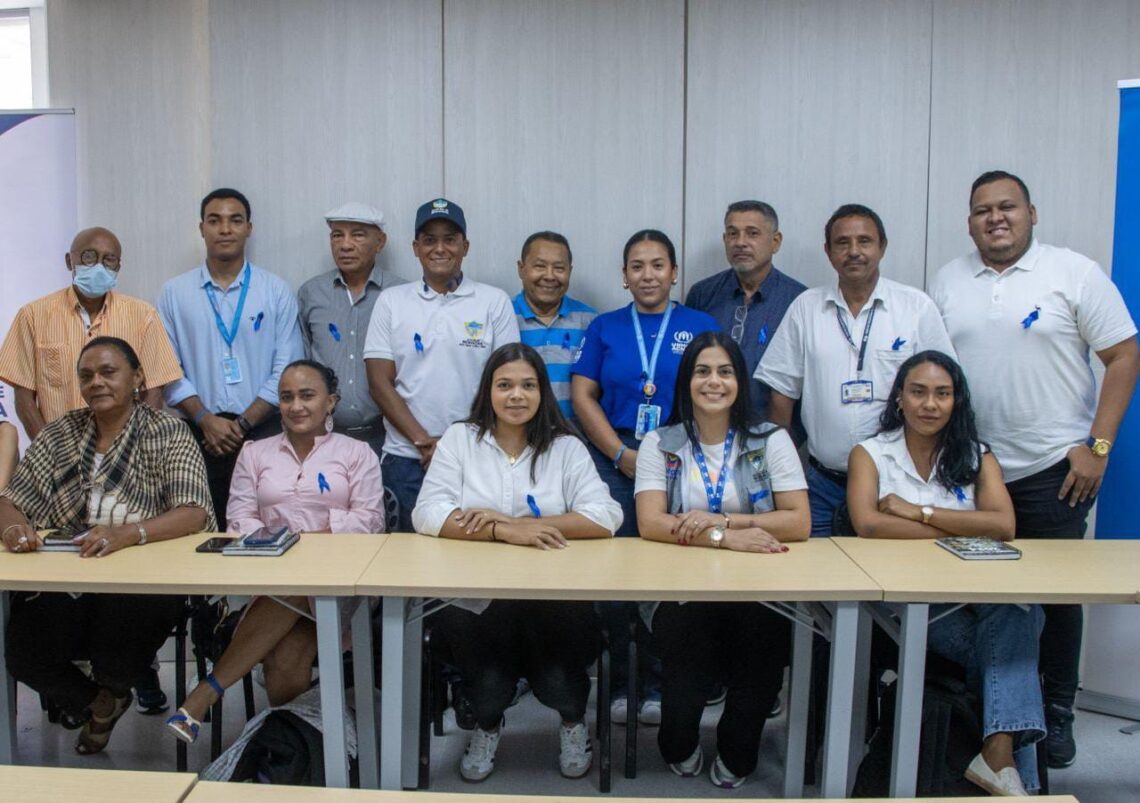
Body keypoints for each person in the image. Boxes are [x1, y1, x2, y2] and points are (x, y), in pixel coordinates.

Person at [929, 170, 1140, 768]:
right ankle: (992, 712)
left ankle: (1056, 717)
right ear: (969, 220)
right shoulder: (949, 280)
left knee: (1055, 598)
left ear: (1032, 213)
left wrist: (1096, 448)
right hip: (971, 471)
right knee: (984, 598)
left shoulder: (1073, 273)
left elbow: (1124, 354)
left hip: (1055, 467)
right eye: (981, 210)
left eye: (1007, 207)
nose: (995, 218)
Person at [412, 343, 621, 782]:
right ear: (488, 390)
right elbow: (427, 513)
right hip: (479, 599)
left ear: (543, 392)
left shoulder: (565, 447)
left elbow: (606, 516)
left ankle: (571, 722)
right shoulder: (460, 439)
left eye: (528, 385)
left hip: (555, 598)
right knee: (487, 690)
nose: (516, 396)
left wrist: (522, 521)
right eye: (504, 385)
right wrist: (502, 531)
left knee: (558, 684)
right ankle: (488, 725)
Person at [0, 336, 214, 755]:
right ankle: (101, 703)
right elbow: (10, 500)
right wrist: (12, 529)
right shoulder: (62, 431)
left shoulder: (166, 430)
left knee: (116, 649)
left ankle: (112, 687)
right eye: (86, 375)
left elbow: (194, 512)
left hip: (143, 577)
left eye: (108, 372)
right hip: (71, 574)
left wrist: (127, 534)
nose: (96, 382)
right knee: (24, 653)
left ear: (137, 378)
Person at [846, 350, 1045, 796]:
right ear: (899, 397)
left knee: (1016, 614)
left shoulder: (976, 455)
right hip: (914, 604)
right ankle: (1016, 776)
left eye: (942, 394)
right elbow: (870, 524)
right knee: (1018, 638)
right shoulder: (872, 453)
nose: (929, 404)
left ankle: (999, 760)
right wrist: (959, 527)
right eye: (918, 392)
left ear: (957, 401)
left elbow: (1003, 525)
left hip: (981, 595)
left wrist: (919, 512)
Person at [166, 360, 384, 744]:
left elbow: (370, 522)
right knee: (283, 659)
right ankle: (303, 745)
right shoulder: (255, 453)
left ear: (330, 402)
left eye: (307, 396)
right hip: (270, 579)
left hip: (341, 587)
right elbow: (238, 519)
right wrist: (281, 546)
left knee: (296, 579)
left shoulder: (357, 453)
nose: (296, 405)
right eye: (286, 397)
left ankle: (206, 694)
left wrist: (297, 539)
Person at [634, 331, 809, 789]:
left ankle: (736, 749)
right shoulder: (661, 442)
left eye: (725, 372)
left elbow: (799, 521)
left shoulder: (770, 440)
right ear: (686, 381)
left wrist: (719, 519)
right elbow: (651, 522)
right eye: (703, 371)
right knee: (686, 680)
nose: (714, 382)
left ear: (741, 382)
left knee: (760, 665)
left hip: (760, 586)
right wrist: (726, 537)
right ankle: (680, 743)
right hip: (682, 588)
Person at [571, 228, 718, 726]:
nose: (648, 275)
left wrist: (668, 456)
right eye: (637, 266)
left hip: (681, 456)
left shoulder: (700, 324)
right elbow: (582, 394)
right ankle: (619, 683)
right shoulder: (605, 327)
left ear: (674, 273)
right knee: (616, 574)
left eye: (658, 265)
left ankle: (661, 681)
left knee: (668, 570)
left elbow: (717, 390)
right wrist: (618, 453)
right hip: (616, 458)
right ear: (624, 276)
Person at [755, 204, 955, 535]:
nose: (854, 252)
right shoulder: (806, 308)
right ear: (828, 251)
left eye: (864, 241)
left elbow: (947, 387)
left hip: (897, 485)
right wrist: (785, 472)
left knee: (893, 577)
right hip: (822, 484)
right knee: (818, 579)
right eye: (842, 243)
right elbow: (781, 396)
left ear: (882, 247)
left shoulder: (915, 307)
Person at [364, 198, 519, 533]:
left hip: (479, 457)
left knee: (473, 565)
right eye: (429, 240)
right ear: (415, 248)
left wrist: (452, 447)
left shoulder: (494, 302)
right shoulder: (391, 302)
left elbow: (509, 382)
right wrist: (423, 441)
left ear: (465, 247)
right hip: (407, 459)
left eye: (449, 239)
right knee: (409, 568)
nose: (440, 248)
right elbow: (379, 382)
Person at [158, 188, 305, 530]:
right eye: (215, 220)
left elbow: (286, 368)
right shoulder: (174, 293)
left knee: (263, 526)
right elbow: (168, 368)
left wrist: (241, 425)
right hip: (196, 434)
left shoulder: (275, 290)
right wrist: (205, 419)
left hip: (262, 430)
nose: (225, 229)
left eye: (235, 220)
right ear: (201, 228)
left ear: (248, 228)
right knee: (198, 528)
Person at [0, 226, 184, 440]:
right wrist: (51, 454)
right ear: (70, 261)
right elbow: (24, 399)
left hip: (123, 454)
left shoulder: (144, 316)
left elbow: (153, 391)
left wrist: (131, 447)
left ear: (118, 267)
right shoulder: (32, 316)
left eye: (109, 260)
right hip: (59, 452)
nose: (99, 267)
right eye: (89, 257)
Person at [298, 202, 406, 457]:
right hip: (324, 437)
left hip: (387, 437)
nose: (345, 245)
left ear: (380, 242)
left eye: (357, 234)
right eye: (338, 235)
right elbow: (302, 362)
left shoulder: (401, 294)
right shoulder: (311, 293)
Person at [684, 201, 806, 423]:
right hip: (706, 432)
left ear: (775, 242)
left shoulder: (799, 301)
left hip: (771, 435)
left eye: (752, 234)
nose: (740, 243)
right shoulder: (702, 295)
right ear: (725, 240)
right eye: (733, 234)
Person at [513, 231, 597, 419]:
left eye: (559, 268)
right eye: (540, 266)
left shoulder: (590, 321)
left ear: (570, 271)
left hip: (575, 437)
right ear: (521, 268)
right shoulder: (503, 317)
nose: (549, 276)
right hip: (518, 434)